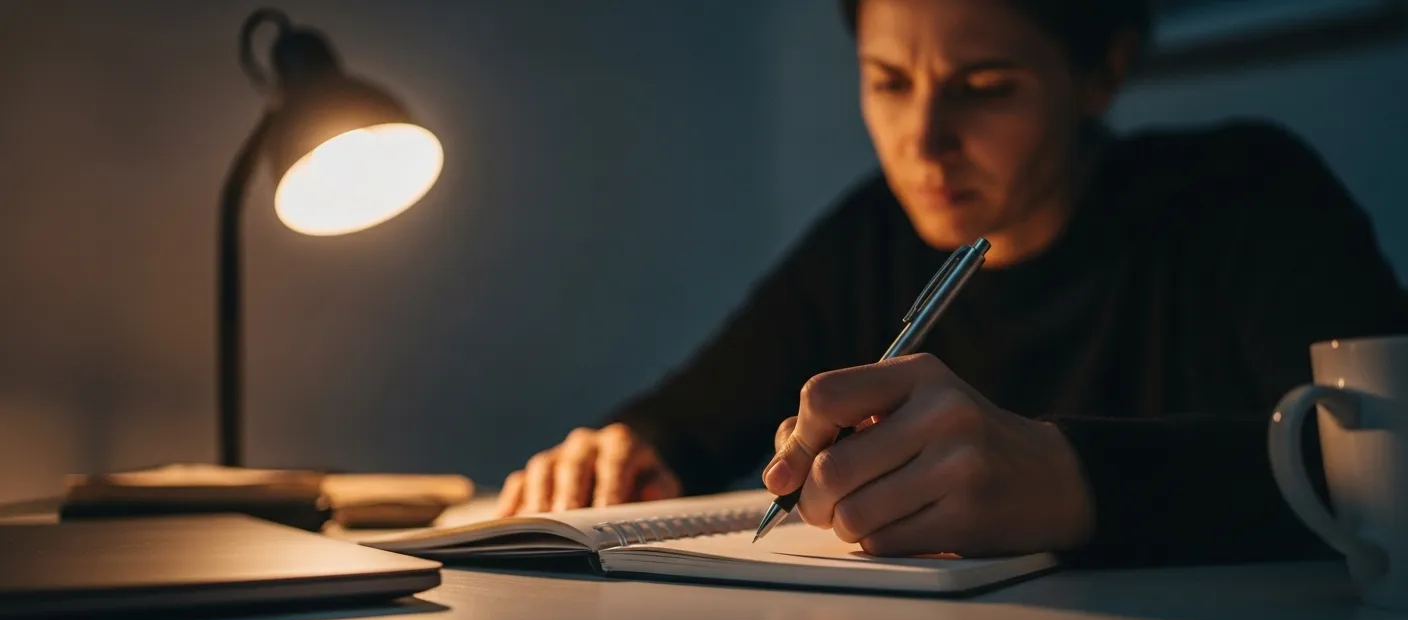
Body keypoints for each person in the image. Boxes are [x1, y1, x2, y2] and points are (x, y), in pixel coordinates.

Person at [494, 0, 1408, 568]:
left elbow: (1379, 467)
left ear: (1103, 73)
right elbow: (696, 413)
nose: (923, 143)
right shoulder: (871, 234)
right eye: (888, 83)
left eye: (986, 87)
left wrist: (1069, 479)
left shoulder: (1246, 193)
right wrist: (629, 449)